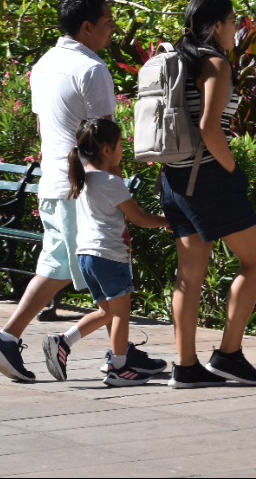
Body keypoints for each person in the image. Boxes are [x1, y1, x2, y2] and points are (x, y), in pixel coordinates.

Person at [0, 0, 165, 383]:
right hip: (83, 188)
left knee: (59, 265)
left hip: (55, 182)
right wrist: (117, 196)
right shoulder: (92, 69)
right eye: (108, 23)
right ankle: (14, 338)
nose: (112, 30)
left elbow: (47, 126)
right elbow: (103, 142)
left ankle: (116, 349)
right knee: (105, 271)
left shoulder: (44, 64)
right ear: (86, 26)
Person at [161, 0, 256, 389]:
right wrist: (231, 170)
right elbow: (210, 127)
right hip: (207, 177)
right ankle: (228, 354)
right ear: (215, 26)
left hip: (173, 178)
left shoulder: (179, 59)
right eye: (233, 20)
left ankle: (186, 366)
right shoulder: (215, 63)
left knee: (189, 275)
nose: (238, 27)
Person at [42, 117, 170, 386]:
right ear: (107, 150)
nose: (123, 150)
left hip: (86, 256)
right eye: (121, 144)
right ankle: (119, 369)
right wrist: (168, 221)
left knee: (107, 313)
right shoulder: (111, 182)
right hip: (109, 256)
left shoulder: (83, 179)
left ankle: (62, 342)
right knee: (121, 313)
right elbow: (138, 217)